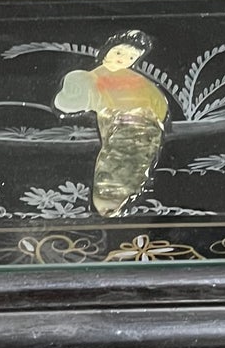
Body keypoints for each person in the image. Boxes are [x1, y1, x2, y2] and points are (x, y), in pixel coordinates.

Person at [54, 32, 169, 215]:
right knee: (119, 156)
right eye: (118, 53)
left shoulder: (137, 80)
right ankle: (108, 200)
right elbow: (73, 100)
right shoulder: (91, 77)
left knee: (138, 157)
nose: (123, 59)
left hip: (147, 123)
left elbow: (157, 103)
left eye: (131, 57)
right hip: (119, 122)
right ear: (106, 51)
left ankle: (117, 200)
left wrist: (151, 116)